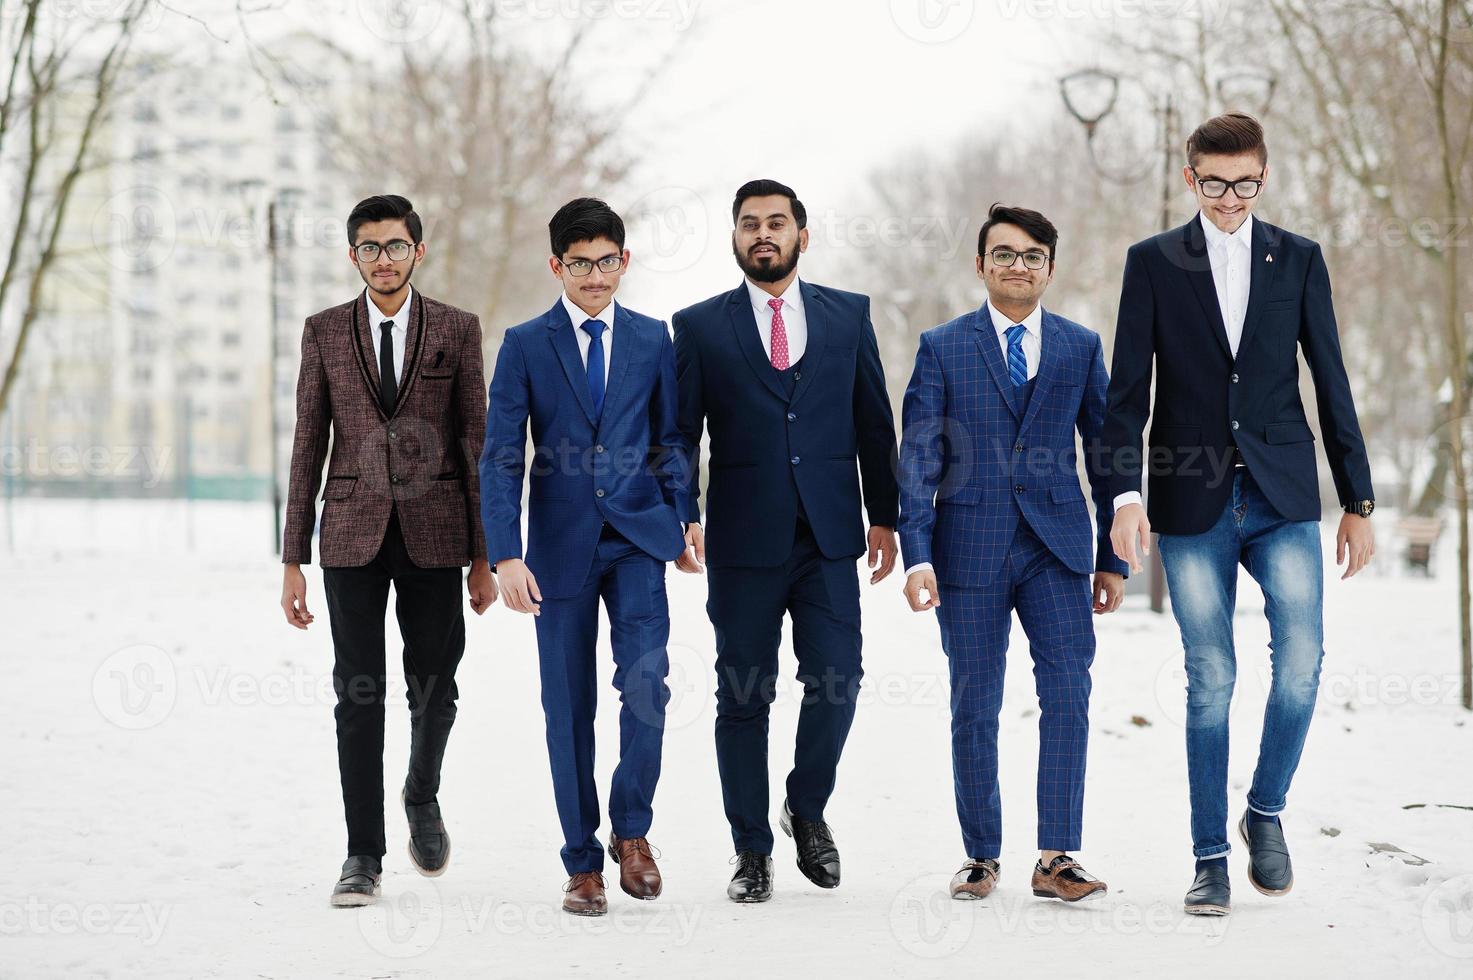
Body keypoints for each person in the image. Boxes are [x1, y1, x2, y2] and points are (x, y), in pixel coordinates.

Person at [1102, 112, 1376, 916]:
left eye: (1245, 182)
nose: (1230, 197)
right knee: (1209, 678)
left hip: (1282, 490)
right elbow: (1125, 397)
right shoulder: (1151, 263)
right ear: (1191, 178)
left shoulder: (1297, 259)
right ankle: (1209, 858)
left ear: (1263, 176)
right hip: (1189, 500)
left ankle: (1263, 809)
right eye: (1215, 182)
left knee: (1300, 660)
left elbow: (1330, 380)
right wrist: (1122, 496)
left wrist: (1356, 499)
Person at [673, 179, 900, 903]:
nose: (761, 234)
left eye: (775, 223)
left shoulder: (847, 316)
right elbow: (681, 434)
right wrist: (684, 510)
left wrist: (885, 514)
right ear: (734, 238)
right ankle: (750, 849)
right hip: (741, 539)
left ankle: (805, 808)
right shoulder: (700, 327)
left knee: (838, 679)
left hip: (829, 534)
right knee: (743, 694)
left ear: (803, 235)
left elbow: (873, 422)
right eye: (748, 225)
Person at [898, 203, 1125, 903]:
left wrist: (1111, 555)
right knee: (975, 702)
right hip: (967, 550)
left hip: (1058, 549)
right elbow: (917, 456)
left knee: (1067, 695)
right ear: (980, 265)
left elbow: (1106, 448)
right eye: (1003, 254)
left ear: (1049, 269)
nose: (1017, 266)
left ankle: (1056, 855)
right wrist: (916, 553)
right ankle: (979, 855)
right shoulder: (942, 346)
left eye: (1031, 256)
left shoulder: (1079, 346)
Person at [280, 194, 496, 907]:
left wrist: (483, 555)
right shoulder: (322, 332)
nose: (383, 259)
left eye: (395, 246)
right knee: (357, 693)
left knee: (435, 691)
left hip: (437, 534)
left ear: (417, 251)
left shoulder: (458, 330)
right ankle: (362, 854)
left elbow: (476, 444)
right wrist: (293, 560)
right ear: (353, 256)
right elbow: (309, 441)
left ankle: (421, 790)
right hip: (350, 532)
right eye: (369, 247)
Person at [480, 198, 690, 916]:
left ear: (624, 261)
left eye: (607, 261)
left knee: (647, 684)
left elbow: (670, 441)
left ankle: (631, 833)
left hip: (637, 540)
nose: (595, 275)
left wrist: (684, 518)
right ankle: (581, 863)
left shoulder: (651, 338)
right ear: (556, 267)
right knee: (567, 707)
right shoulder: (525, 344)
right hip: (558, 551)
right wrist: (504, 554)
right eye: (579, 263)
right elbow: (502, 455)